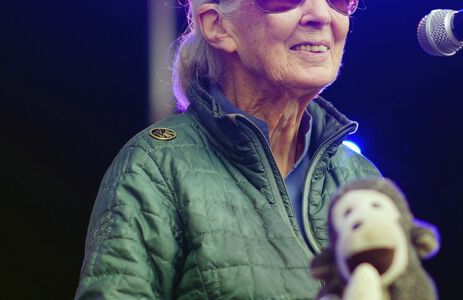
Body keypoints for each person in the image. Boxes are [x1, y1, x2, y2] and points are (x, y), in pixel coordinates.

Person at [75, 0, 381, 298]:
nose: (320, 14)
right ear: (217, 25)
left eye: (339, 0)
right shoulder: (155, 167)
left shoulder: (360, 177)